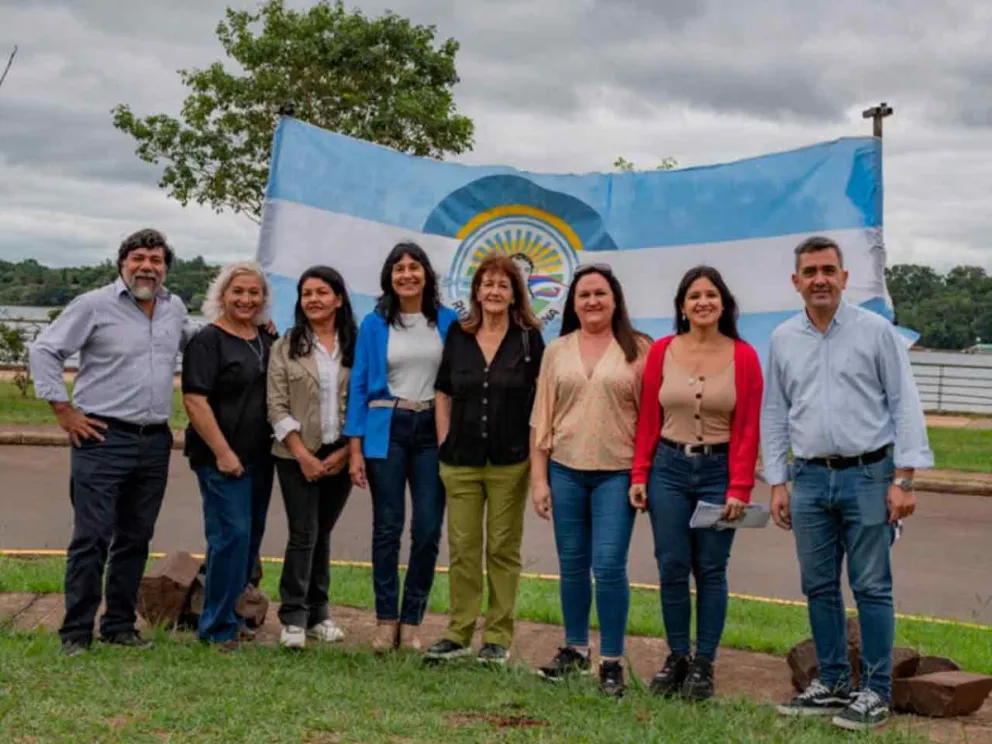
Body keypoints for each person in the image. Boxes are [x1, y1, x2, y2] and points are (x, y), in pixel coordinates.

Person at [763, 236, 933, 731]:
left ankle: (875, 691)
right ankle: (832, 681)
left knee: (872, 585)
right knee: (818, 585)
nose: (820, 279)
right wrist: (778, 481)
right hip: (810, 478)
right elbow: (775, 411)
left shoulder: (876, 332)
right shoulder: (783, 339)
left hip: (869, 473)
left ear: (844, 277)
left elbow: (905, 403)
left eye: (828, 270)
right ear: (796, 282)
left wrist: (904, 478)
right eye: (810, 271)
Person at [28, 228, 194, 656]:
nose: (147, 267)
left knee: (136, 538)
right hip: (102, 437)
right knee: (92, 537)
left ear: (165, 268)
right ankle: (76, 632)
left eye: (156, 260)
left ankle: (119, 625)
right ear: (122, 263)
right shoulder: (94, 306)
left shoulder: (174, 308)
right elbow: (44, 350)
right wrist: (64, 411)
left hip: (154, 439)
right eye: (139, 258)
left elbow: (197, 343)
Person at [629, 266, 763, 701]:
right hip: (668, 468)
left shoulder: (744, 356)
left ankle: (705, 663)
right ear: (682, 307)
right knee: (671, 566)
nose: (703, 302)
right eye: (694, 296)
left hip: (718, 473)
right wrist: (640, 474)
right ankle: (678, 656)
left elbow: (748, 428)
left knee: (710, 568)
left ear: (723, 304)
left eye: (711, 295)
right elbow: (649, 418)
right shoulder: (662, 351)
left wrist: (739, 488)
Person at [529, 264, 651, 697]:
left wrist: (642, 474)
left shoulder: (639, 350)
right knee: (573, 567)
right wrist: (539, 481)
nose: (592, 301)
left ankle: (612, 660)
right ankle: (576, 650)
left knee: (610, 567)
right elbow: (541, 419)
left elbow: (650, 422)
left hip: (617, 475)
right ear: (573, 303)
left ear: (615, 299)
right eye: (584, 295)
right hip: (565, 471)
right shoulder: (556, 350)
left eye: (600, 293)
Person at [425, 255, 545, 665]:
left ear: (515, 294)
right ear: (475, 291)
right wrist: (443, 440)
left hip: (510, 462)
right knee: (462, 547)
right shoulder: (459, 335)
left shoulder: (530, 339)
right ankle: (458, 632)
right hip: (459, 460)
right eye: (487, 284)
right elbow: (443, 392)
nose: (494, 291)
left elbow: (540, 403)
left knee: (502, 549)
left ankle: (496, 637)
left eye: (503, 285)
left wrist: (534, 455)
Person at [344, 242, 458, 652]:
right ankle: (385, 620)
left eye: (414, 267)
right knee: (387, 527)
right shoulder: (375, 324)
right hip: (386, 426)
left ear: (426, 274)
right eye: (398, 268)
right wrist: (354, 447)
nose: (406, 274)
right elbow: (358, 386)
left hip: (434, 429)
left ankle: (413, 621)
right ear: (389, 277)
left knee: (427, 528)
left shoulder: (449, 321)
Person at [181, 261, 276, 650]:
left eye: (254, 293)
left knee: (249, 540)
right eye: (238, 291)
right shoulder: (208, 340)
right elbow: (194, 399)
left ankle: (234, 615)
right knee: (230, 537)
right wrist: (223, 452)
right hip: (220, 459)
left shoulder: (267, 338)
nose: (246, 299)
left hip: (261, 457)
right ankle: (216, 626)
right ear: (222, 295)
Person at [267, 266, 357, 650]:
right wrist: (302, 454)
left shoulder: (355, 344)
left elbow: (363, 401)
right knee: (303, 533)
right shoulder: (285, 345)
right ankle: (293, 617)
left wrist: (344, 453)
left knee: (323, 534)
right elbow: (276, 405)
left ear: (338, 298)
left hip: (340, 453)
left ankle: (320, 614)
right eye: (307, 294)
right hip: (294, 455)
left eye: (322, 292)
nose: (314, 300)